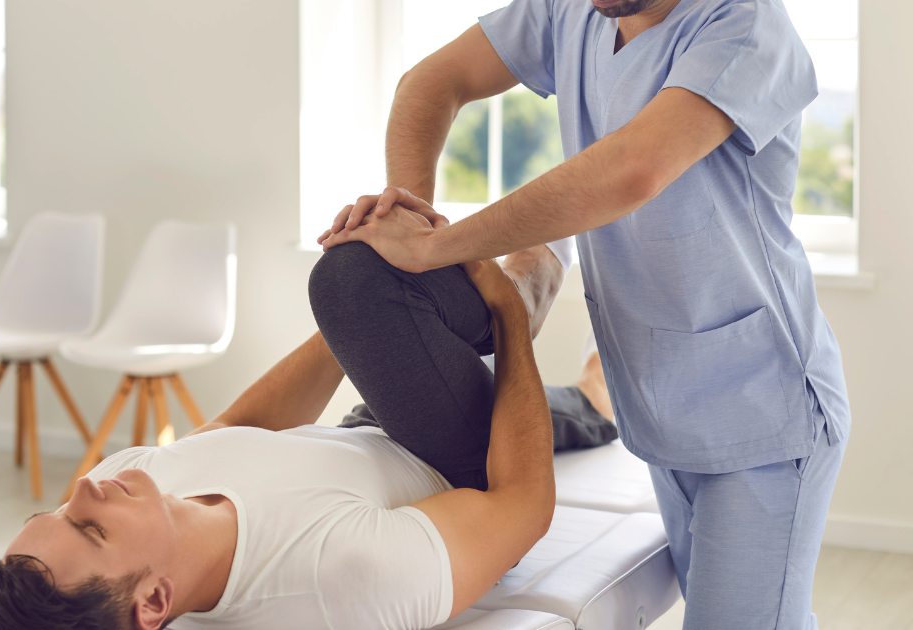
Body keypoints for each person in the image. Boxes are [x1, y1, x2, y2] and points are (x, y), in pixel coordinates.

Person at [317, 0, 849, 627]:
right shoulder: (569, 12)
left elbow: (633, 169)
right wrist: (408, 210)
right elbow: (431, 82)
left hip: (761, 407)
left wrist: (432, 248)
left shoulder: (746, 25)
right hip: (659, 408)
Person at [0, 239, 618, 630]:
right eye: (90, 529)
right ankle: (549, 256)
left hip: (367, 434)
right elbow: (521, 511)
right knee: (353, 281)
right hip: (459, 469)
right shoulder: (334, 580)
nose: (87, 487)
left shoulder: (137, 494)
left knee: (360, 287)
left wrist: (350, 340)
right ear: (155, 603)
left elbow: (235, 430)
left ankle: (589, 381)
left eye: (57, 511)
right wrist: (505, 310)